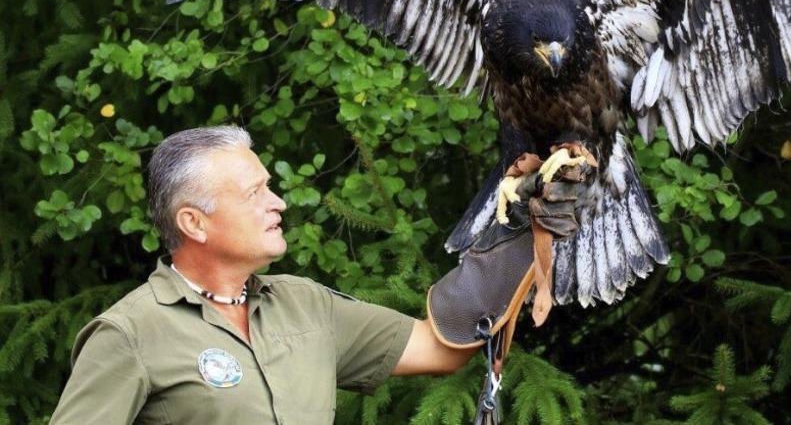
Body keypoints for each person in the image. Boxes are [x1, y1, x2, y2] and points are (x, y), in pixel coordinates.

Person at [48, 125, 491, 424]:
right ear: (194, 223)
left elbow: (441, 349)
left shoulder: (308, 305)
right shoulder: (130, 335)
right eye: (254, 193)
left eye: (269, 187)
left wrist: (519, 231)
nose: (278, 202)